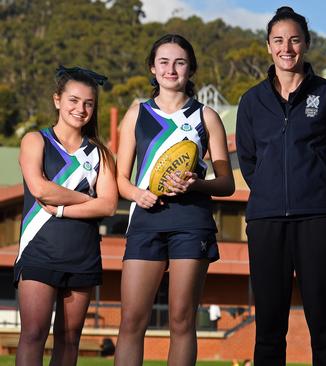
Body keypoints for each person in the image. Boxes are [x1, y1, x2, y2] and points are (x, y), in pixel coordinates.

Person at [236, 6, 326, 365]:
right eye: (278, 40)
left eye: (293, 39)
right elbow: (248, 160)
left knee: (323, 320)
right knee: (269, 326)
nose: (286, 47)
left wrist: (322, 193)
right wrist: (272, 192)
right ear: (268, 46)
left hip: (318, 218)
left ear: (306, 43)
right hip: (266, 220)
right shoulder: (251, 101)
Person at [114, 34, 234, 365]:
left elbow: (226, 183)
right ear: (153, 68)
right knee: (131, 322)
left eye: (179, 62)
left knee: (182, 323)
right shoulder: (137, 113)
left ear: (190, 69)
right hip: (145, 222)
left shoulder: (206, 117)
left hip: (191, 225)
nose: (171, 69)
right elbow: (120, 179)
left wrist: (196, 184)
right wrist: (138, 193)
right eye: (164, 62)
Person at [15, 66, 117, 365]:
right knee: (33, 334)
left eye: (88, 103)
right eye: (73, 100)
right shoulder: (35, 140)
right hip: (38, 250)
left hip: (82, 253)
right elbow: (41, 188)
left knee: (70, 338)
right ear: (57, 100)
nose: (80, 109)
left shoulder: (101, 153)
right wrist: (88, 198)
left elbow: (109, 206)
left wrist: (62, 207)